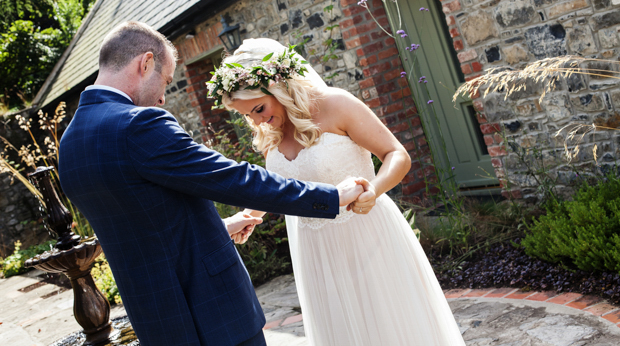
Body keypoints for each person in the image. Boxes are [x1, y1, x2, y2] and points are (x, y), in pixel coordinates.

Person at [58, 22, 369, 346]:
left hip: (157, 323)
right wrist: (332, 196)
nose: (163, 97)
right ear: (145, 63)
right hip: (212, 315)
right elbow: (233, 179)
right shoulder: (138, 124)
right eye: (165, 81)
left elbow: (142, 225)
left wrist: (219, 226)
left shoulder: (69, 146)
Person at [215, 38, 466, 346]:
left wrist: (373, 190)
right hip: (314, 251)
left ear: (279, 86)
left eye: (258, 108)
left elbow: (396, 154)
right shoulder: (271, 129)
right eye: (247, 115)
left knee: (386, 325)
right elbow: (281, 185)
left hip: (364, 235)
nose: (256, 121)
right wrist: (249, 216)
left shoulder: (336, 104)